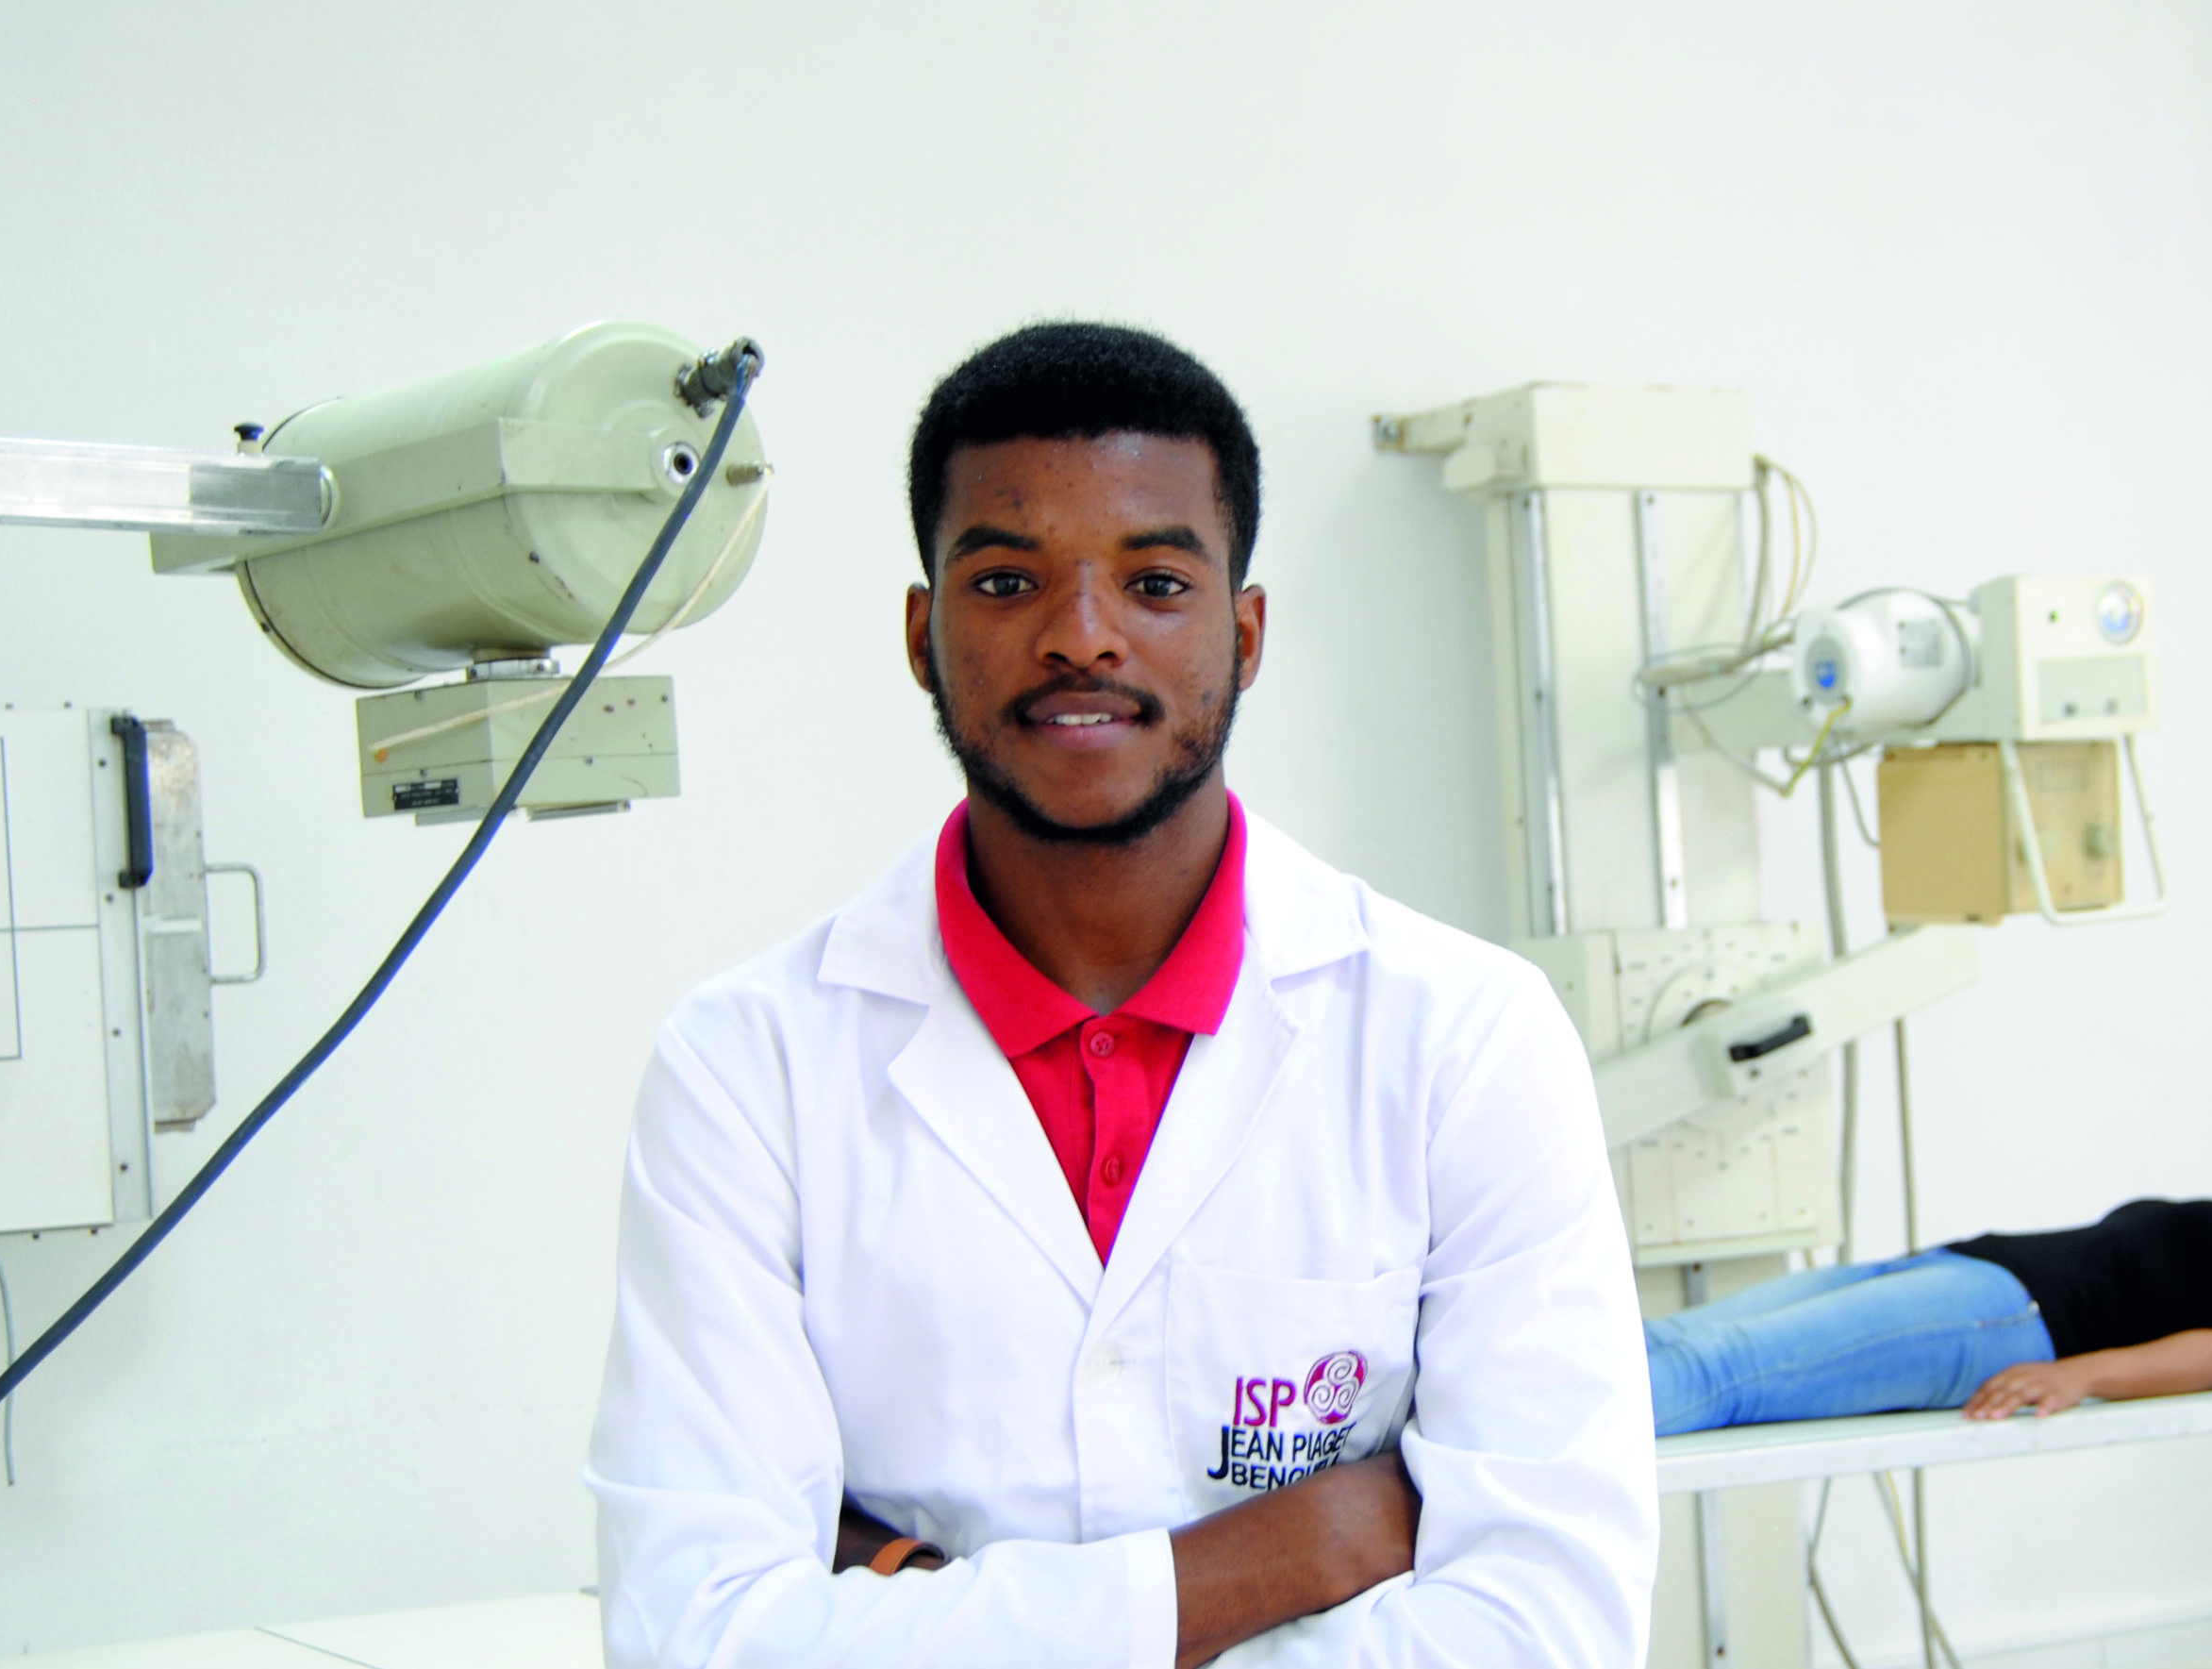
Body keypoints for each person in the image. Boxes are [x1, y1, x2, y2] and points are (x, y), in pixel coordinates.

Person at [586, 324, 1656, 1667]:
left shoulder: (1466, 1038)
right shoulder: (745, 1069)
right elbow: (700, 1633)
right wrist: (1282, 1554)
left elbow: (1548, 1623)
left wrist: (910, 1588)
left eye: (1154, 579)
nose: (1080, 636)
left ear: (1246, 633)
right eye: (1005, 579)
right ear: (923, 636)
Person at [1645, 1174, 2212, 1436]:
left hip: (2009, 1317)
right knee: (1679, 1341)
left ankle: (1522, 1434)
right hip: (1974, 1276)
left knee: (1716, 1373)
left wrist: (2077, 1375)